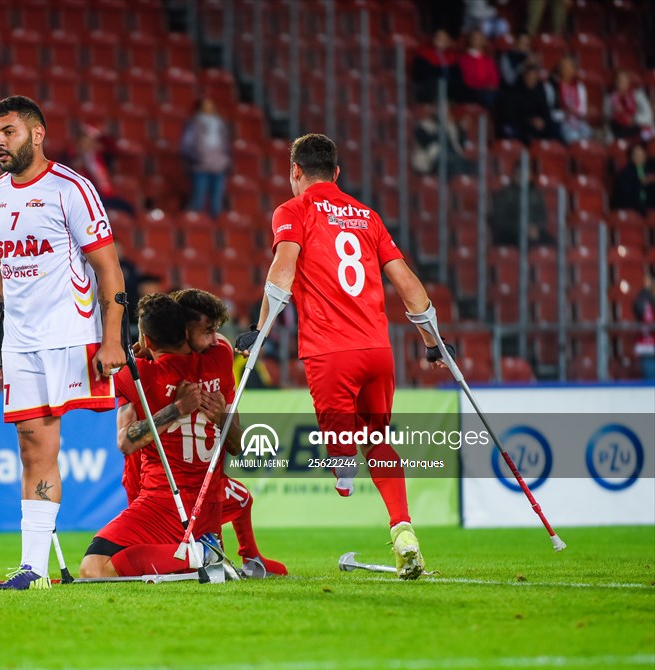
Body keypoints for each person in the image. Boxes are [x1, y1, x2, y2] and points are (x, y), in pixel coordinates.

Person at [245, 134, 453, 580]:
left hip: (329, 350)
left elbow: (282, 270)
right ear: (337, 173)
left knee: (341, 447)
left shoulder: (293, 210)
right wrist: (433, 341)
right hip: (378, 350)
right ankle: (402, 529)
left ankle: (343, 470)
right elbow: (407, 282)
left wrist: (259, 332)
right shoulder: (367, 216)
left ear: (295, 171)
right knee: (379, 439)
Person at [0, 96, 126, 590]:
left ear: (37, 134)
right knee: (33, 449)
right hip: (19, 345)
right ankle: (33, 570)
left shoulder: (71, 190)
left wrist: (112, 341)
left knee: (133, 432)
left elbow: (108, 268)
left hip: (73, 336)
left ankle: (181, 530)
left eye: (9, 131)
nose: (0, 141)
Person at [79, 293, 240, 579]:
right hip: (208, 505)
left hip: (163, 502)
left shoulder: (140, 374)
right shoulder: (222, 356)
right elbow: (238, 446)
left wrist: (176, 409)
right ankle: (207, 550)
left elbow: (126, 443)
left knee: (94, 568)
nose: (214, 337)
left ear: (147, 340)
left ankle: (201, 555)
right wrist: (218, 418)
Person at [172, 288, 287, 577]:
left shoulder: (221, 356)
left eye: (216, 331)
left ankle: (240, 555)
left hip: (204, 477)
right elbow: (127, 443)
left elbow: (235, 444)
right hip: (165, 486)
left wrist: (223, 418)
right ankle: (212, 553)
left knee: (240, 497)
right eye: (207, 331)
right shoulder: (157, 363)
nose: (216, 339)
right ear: (182, 330)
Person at [181, 97, 231, 217]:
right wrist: (197, 159)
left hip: (218, 166)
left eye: (210, 105)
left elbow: (225, 144)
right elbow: (186, 145)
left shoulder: (220, 123)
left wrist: (225, 160)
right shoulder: (194, 123)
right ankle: (196, 229)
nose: (209, 108)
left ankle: (216, 231)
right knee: (198, 199)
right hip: (200, 166)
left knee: (217, 202)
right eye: (205, 105)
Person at [497, 65, 560, 144]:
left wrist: (543, 121)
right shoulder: (515, 91)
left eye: (533, 76)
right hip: (522, 124)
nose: (531, 79)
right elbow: (510, 114)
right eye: (529, 76)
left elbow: (546, 110)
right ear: (524, 76)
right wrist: (530, 120)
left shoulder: (540, 91)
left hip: (538, 124)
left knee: (554, 127)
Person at [548, 56, 591, 144]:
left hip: (577, 121)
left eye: (568, 67)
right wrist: (564, 114)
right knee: (573, 136)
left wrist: (576, 112)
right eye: (563, 66)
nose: (565, 69)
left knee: (587, 132)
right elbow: (549, 112)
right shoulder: (552, 86)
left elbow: (583, 110)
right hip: (560, 122)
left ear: (573, 70)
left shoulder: (579, 87)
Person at [411, 30, 459, 104]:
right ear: (433, 39)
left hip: (448, 91)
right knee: (438, 83)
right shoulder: (423, 54)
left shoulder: (452, 57)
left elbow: (455, 76)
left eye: (444, 39)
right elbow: (421, 75)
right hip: (429, 89)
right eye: (439, 38)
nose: (441, 41)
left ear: (448, 42)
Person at [606, 71, 655, 141]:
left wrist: (634, 119)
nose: (621, 82)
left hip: (637, 126)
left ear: (628, 81)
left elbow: (648, 115)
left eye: (624, 80)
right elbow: (606, 116)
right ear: (615, 82)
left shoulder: (638, 94)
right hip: (619, 128)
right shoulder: (610, 97)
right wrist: (613, 111)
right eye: (619, 80)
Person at [457, 29, 499, 109]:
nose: (477, 40)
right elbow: (467, 78)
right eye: (475, 38)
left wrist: (490, 86)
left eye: (480, 38)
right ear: (470, 39)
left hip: (488, 91)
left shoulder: (488, 60)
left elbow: (494, 78)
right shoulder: (464, 59)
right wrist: (483, 86)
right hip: (471, 91)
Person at [611, 144, 655, 215]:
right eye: (636, 155)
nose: (639, 157)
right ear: (631, 157)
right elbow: (625, 193)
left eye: (641, 155)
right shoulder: (625, 173)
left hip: (648, 206)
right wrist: (640, 183)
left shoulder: (648, 170)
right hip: (631, 207)